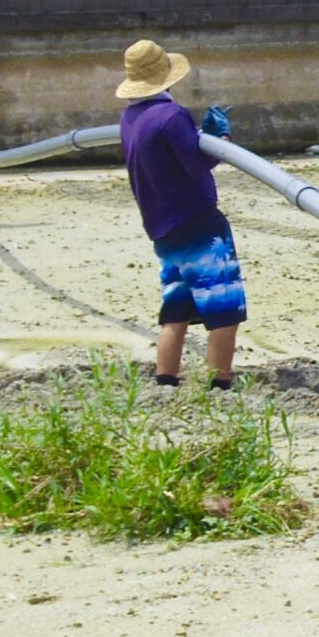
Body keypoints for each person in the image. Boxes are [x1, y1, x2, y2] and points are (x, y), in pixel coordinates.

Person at [115, 38, 245, 390]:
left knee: (176, 309)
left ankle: (165, 381)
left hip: (163, 229)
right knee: (223, 308)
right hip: (198, 223)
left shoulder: (130, 118)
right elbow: (196, 164)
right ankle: (220, 386)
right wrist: (223, 138)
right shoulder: (171, 115)